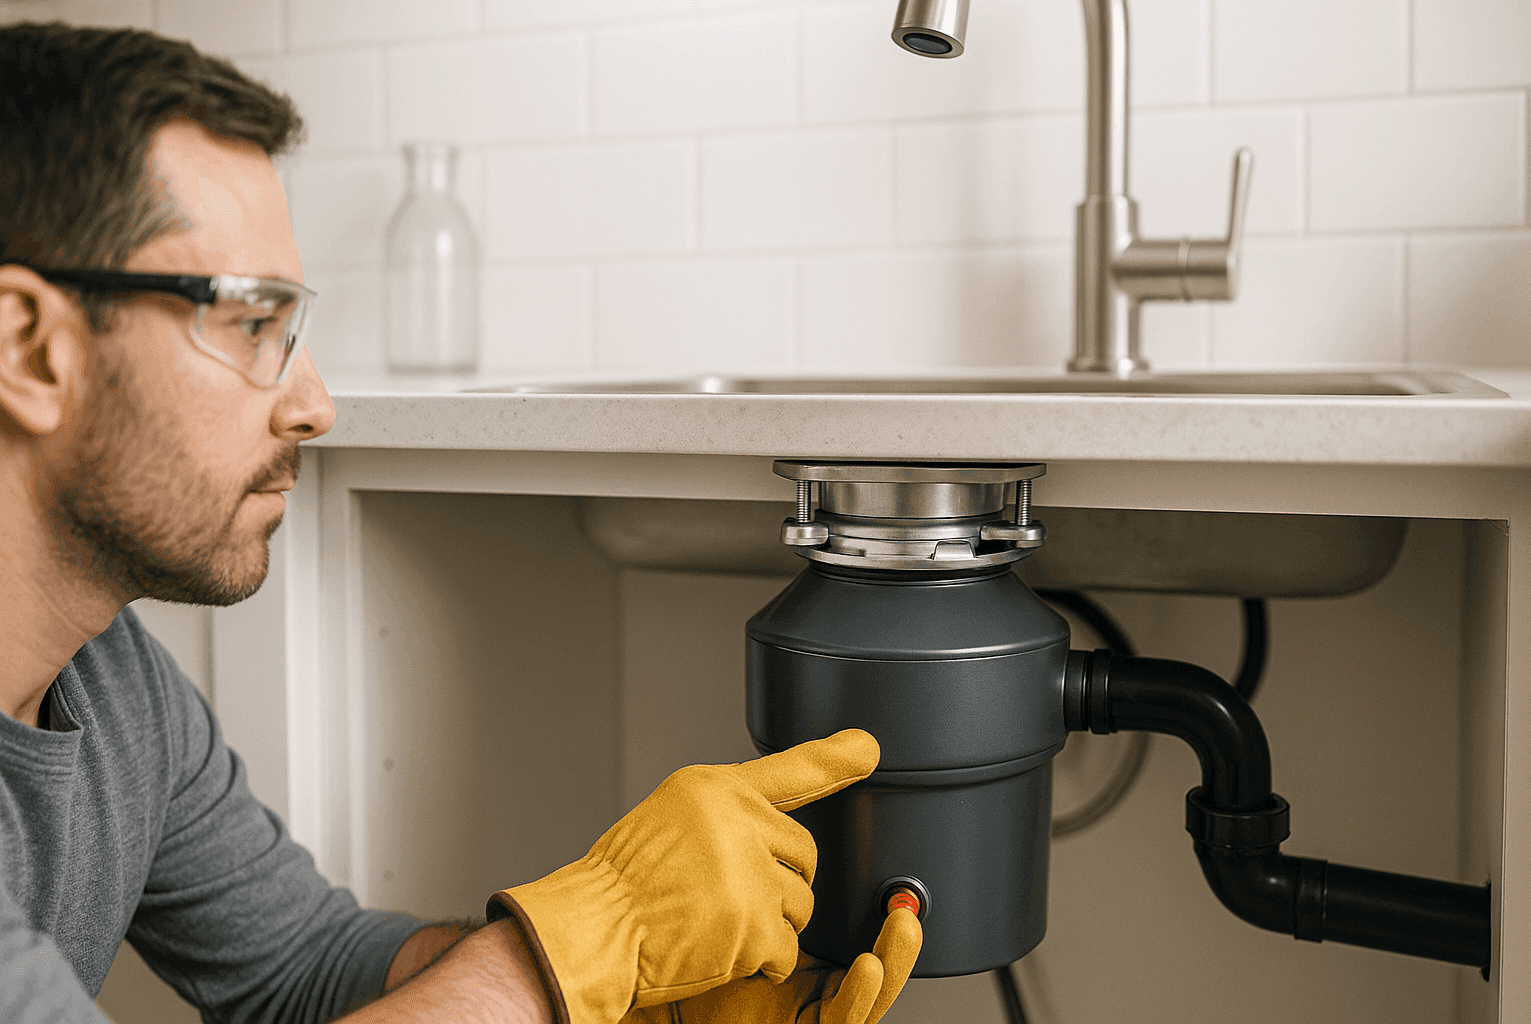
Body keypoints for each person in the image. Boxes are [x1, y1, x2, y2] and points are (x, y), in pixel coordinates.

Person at [0, 21, 921, 1024]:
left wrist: (639, 997)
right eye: (250, 323)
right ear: (31, 350)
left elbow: (305, 965)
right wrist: (575, 947)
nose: (313, 402)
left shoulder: (114, 686)